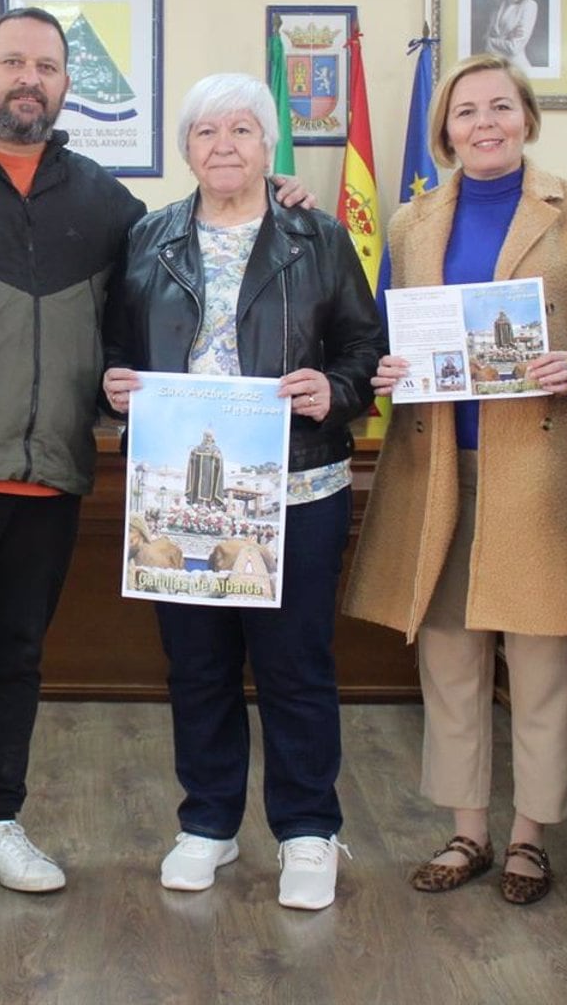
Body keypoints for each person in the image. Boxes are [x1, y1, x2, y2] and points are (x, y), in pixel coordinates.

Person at [0, 9, 310, 913]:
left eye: (47, 67)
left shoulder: (98, 197)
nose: (29, 80)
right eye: (14, 62)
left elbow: (185, 243)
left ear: (63, 86)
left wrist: (264, 199)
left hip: (48, 473)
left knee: (15, 658)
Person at [342, 53, 567, 907]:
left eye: (501, 107)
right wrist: (389, 367)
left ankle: (530, 840)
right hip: (437, 468)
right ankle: (468, 829)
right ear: (445, 130)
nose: (485, 123)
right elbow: (387, 327)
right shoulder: (410, 221)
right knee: (449, 656)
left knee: (541, 659)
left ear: (526, 117)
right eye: (467, 111)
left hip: (541, 467)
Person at [101, 73, 385, 911]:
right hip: (176, 492)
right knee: (197, 665)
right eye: (205, 132)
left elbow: (366, 349)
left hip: (298, 485)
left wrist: (336, 388)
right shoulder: (145, 238)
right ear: (186, 149)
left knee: (295, 664)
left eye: (242, 130)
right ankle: (209, 823)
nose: (223, 145)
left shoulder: (319, 236)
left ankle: (306, 831)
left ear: (268, 146)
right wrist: (109, 388)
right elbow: (111, 349)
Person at [481, 0, 540, 71]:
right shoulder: (497, 6)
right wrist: (505, 37)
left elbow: (514, 48)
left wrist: (490, 41)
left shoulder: (529, 5)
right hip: (496, 67)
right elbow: (485, 40)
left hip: (518, 68)